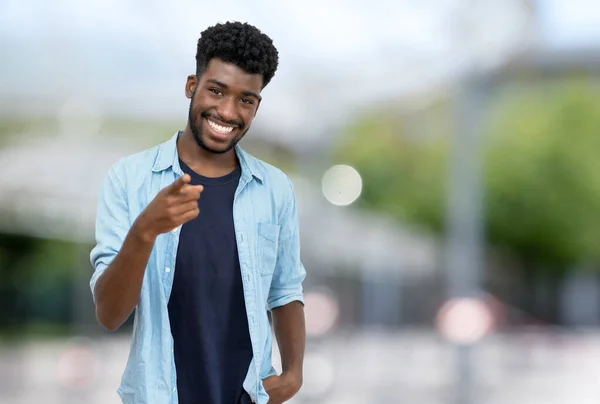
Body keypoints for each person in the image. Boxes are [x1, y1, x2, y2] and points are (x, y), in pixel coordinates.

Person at [89, 21, 306, 404]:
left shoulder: (275, 189)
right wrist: (144, 232)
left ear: (257, 105)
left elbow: (285, 289)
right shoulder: (130, 179)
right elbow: (109, 314)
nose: (227, 111)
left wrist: (292, 377)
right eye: (216, 90)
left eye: (246, 99)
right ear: (192, 86)